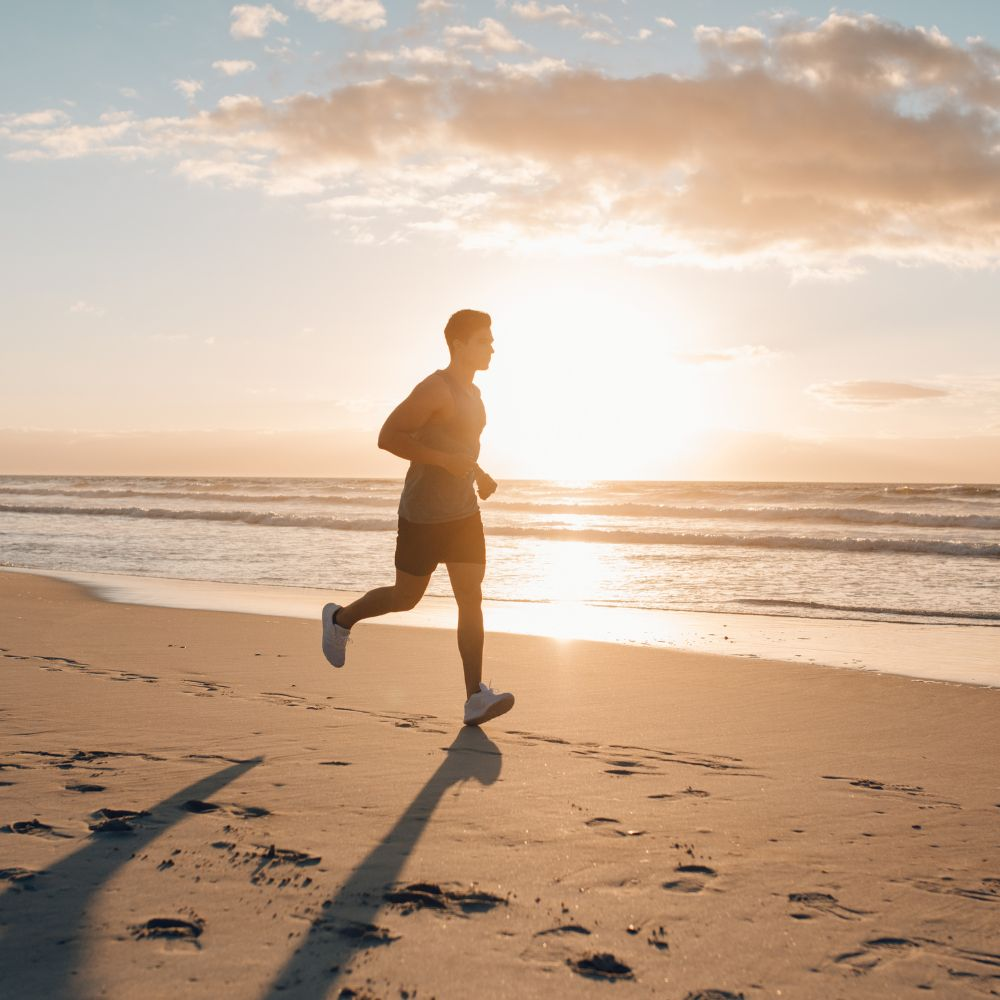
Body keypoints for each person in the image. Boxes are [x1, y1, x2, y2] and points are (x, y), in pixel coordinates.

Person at [321, 309, 514, 727]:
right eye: (484, 340)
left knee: (471, 598)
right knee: (405, 598)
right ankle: (340, 619)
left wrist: (478, 474)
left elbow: (460, 446)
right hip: (423, 516)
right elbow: (388, 437)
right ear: (458, 345)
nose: (492, 347)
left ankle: (473, 698)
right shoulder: (435, 389)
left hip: (463, 513)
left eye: (491, 339)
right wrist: (444, 461)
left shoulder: (475, 395)